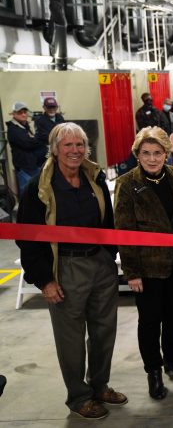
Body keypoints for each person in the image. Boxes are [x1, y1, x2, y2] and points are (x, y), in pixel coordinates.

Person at [16, 122, 127, 419]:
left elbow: (108, 221)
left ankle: (99, 385)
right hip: (64, 267)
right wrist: (45, 281)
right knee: (71, 338)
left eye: (80, 145)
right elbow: (27, 237)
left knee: (104, 331)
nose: (75, 151)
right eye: (68, 145)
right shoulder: (39, 186)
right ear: (54, 149)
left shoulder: (94, 178)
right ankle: (79, 397)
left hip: (100, 265)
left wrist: (109, 254)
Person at [114, 126, 173, 401]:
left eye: (157, 153)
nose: (152, 158)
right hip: (147, 267)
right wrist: (131, 272)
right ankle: (154, 370)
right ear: (137, 154)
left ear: (166, 153)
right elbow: (124, 230)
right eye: (145, 153)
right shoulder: (127, 183)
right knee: (149, 321)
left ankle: (172, 359)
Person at [6, 102, 46, 196]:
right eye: (20, 112)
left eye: (25, 112)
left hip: (33, 165)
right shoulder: (14, 129)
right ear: (13, 114)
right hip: (25, 168)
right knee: (27, 195)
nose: (23, 114)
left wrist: (36, 140)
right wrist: (39, 140)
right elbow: (28, 144)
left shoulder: (25, 126)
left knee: (36, 193)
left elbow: (33, 141)